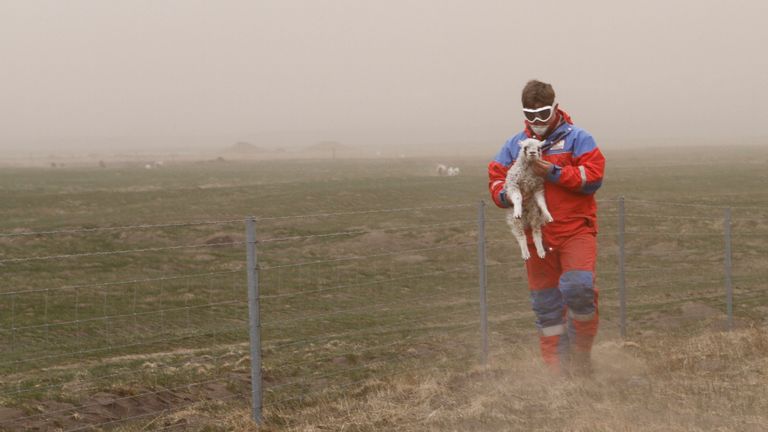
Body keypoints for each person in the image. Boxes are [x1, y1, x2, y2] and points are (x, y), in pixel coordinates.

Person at [487, 80, 605, 376]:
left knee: (579, 288)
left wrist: (553, 173)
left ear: (554, 107)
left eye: (542, 113)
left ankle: (581, 359)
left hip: (575, 229)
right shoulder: (514, 145)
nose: (536, 122)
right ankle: (557, 373)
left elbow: (593, 176)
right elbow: (497, 179)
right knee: (546, 306)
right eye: (530, 114)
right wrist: (508, 195)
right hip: (535, 234)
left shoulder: (580, 139)